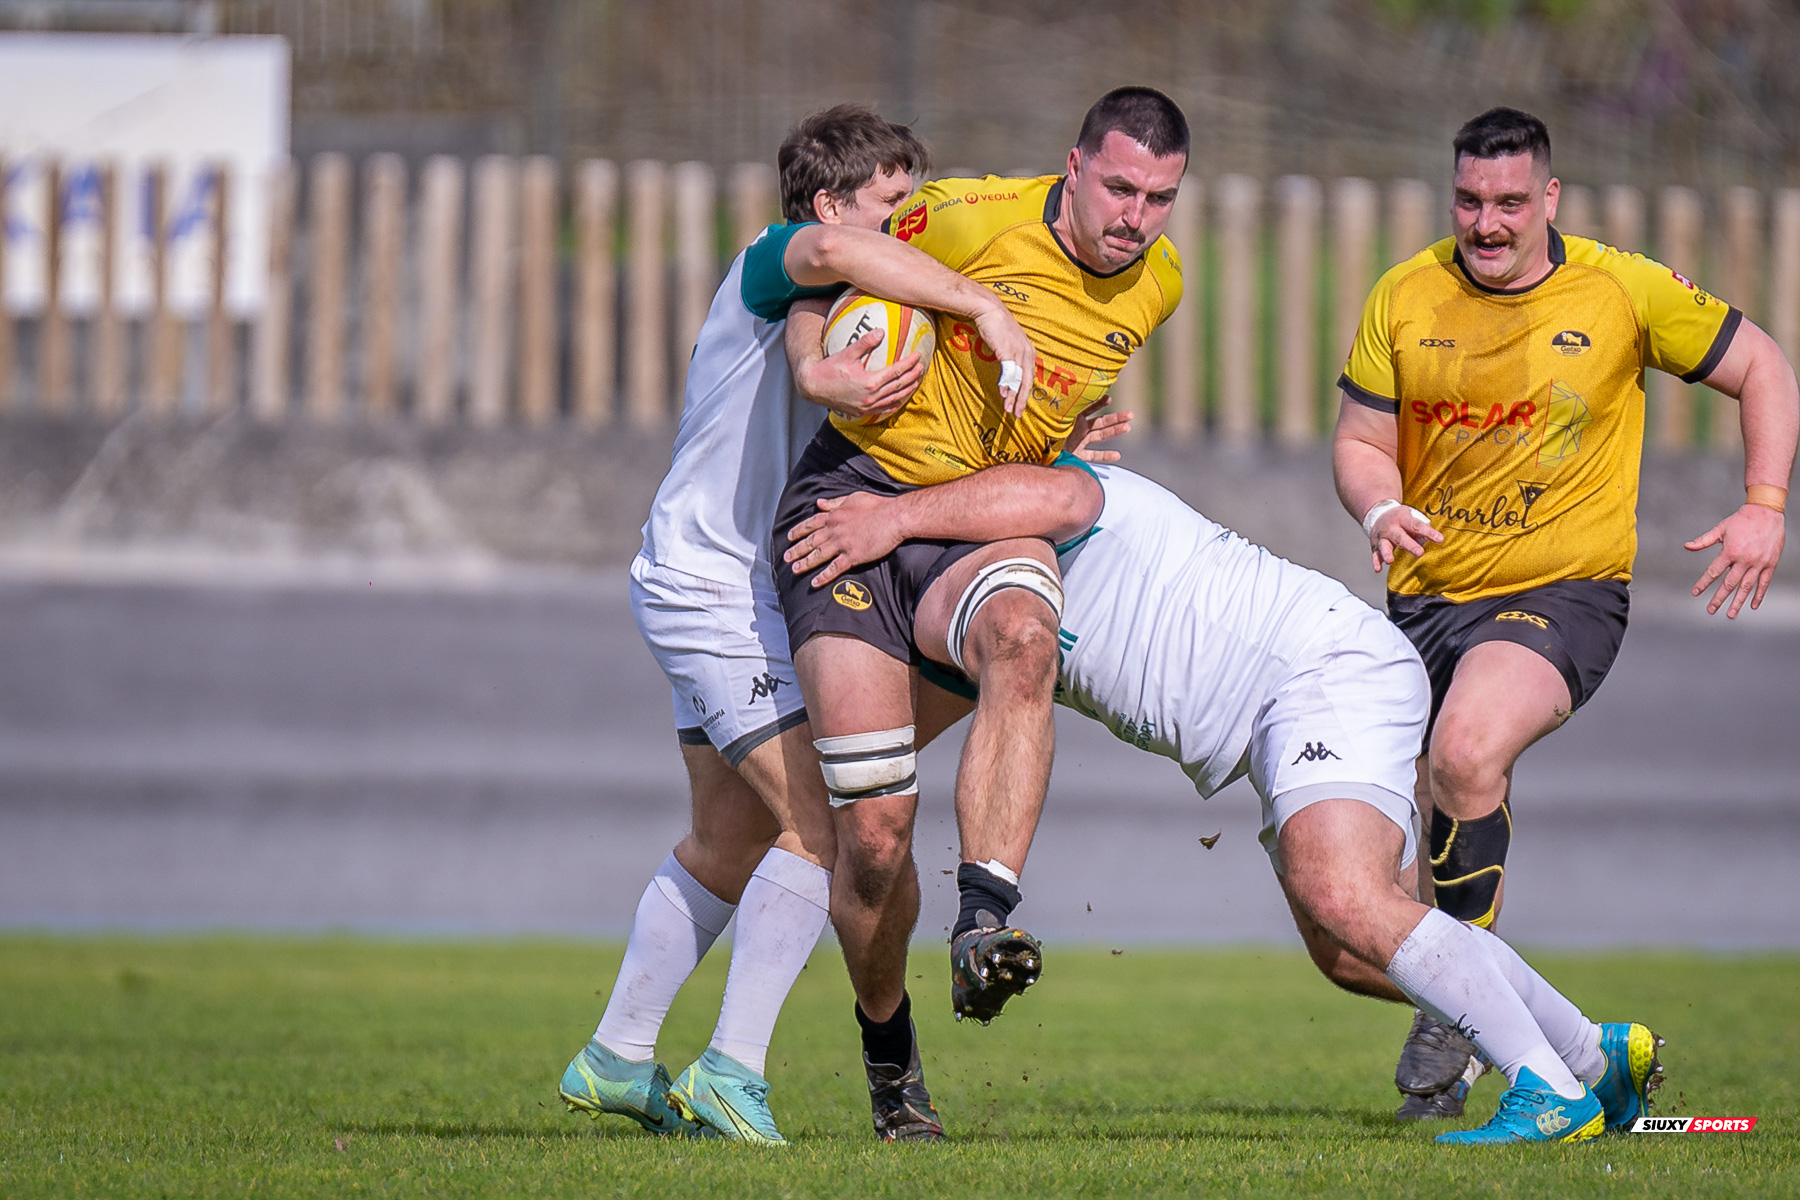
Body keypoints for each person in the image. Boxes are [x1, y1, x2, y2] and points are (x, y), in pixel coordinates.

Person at [785, 453, 1667, 1145]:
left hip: (1321, 672)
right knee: (1351, 948)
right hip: (1278, 718)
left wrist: (886, 516)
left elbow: (1059, 500)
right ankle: (1594, 1056)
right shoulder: (973, 586)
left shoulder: (1045, 482)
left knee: (1344, 896)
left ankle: (1544, 1091)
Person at [555, 103, 1042, 1145]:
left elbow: (847, 370)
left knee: (727, 839)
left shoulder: (841, 309)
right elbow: (820, 261)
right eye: (889, 207)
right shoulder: (783, 257)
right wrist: (982, 306)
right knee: (823, 823)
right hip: (713, 590)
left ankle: (618, 1055)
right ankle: (734, 1069)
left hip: (727, 591)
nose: (904, 229)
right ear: (829, 205)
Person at [1331, 106, 1798, 1118]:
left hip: (1562, 596)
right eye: (1468, 201)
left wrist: (1765, 508)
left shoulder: (1621, 288)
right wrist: (1377, 501)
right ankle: (1591, 1056)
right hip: (1423, 603)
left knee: (1464, 755)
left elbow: (1764, 363)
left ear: (1549, 198)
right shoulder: (1405, 293)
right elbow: (1362, 439)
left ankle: (1462, 1027)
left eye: (1508, 203)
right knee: (1357, 905)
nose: (1486, 224)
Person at [771, 87, 1187, 1103]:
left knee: (1025, 635)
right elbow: (822, 266)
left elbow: (1052, 385)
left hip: (974, 519)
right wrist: (815, 370)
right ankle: (889, 1056)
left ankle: (983, 920)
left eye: (1161, 196)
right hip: (855, 496)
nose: (1135, 216)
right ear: (1074, 166)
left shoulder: (1159, 283)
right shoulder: (966, 214)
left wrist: (1058, 438)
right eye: (1120, 187)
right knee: (871, 837)